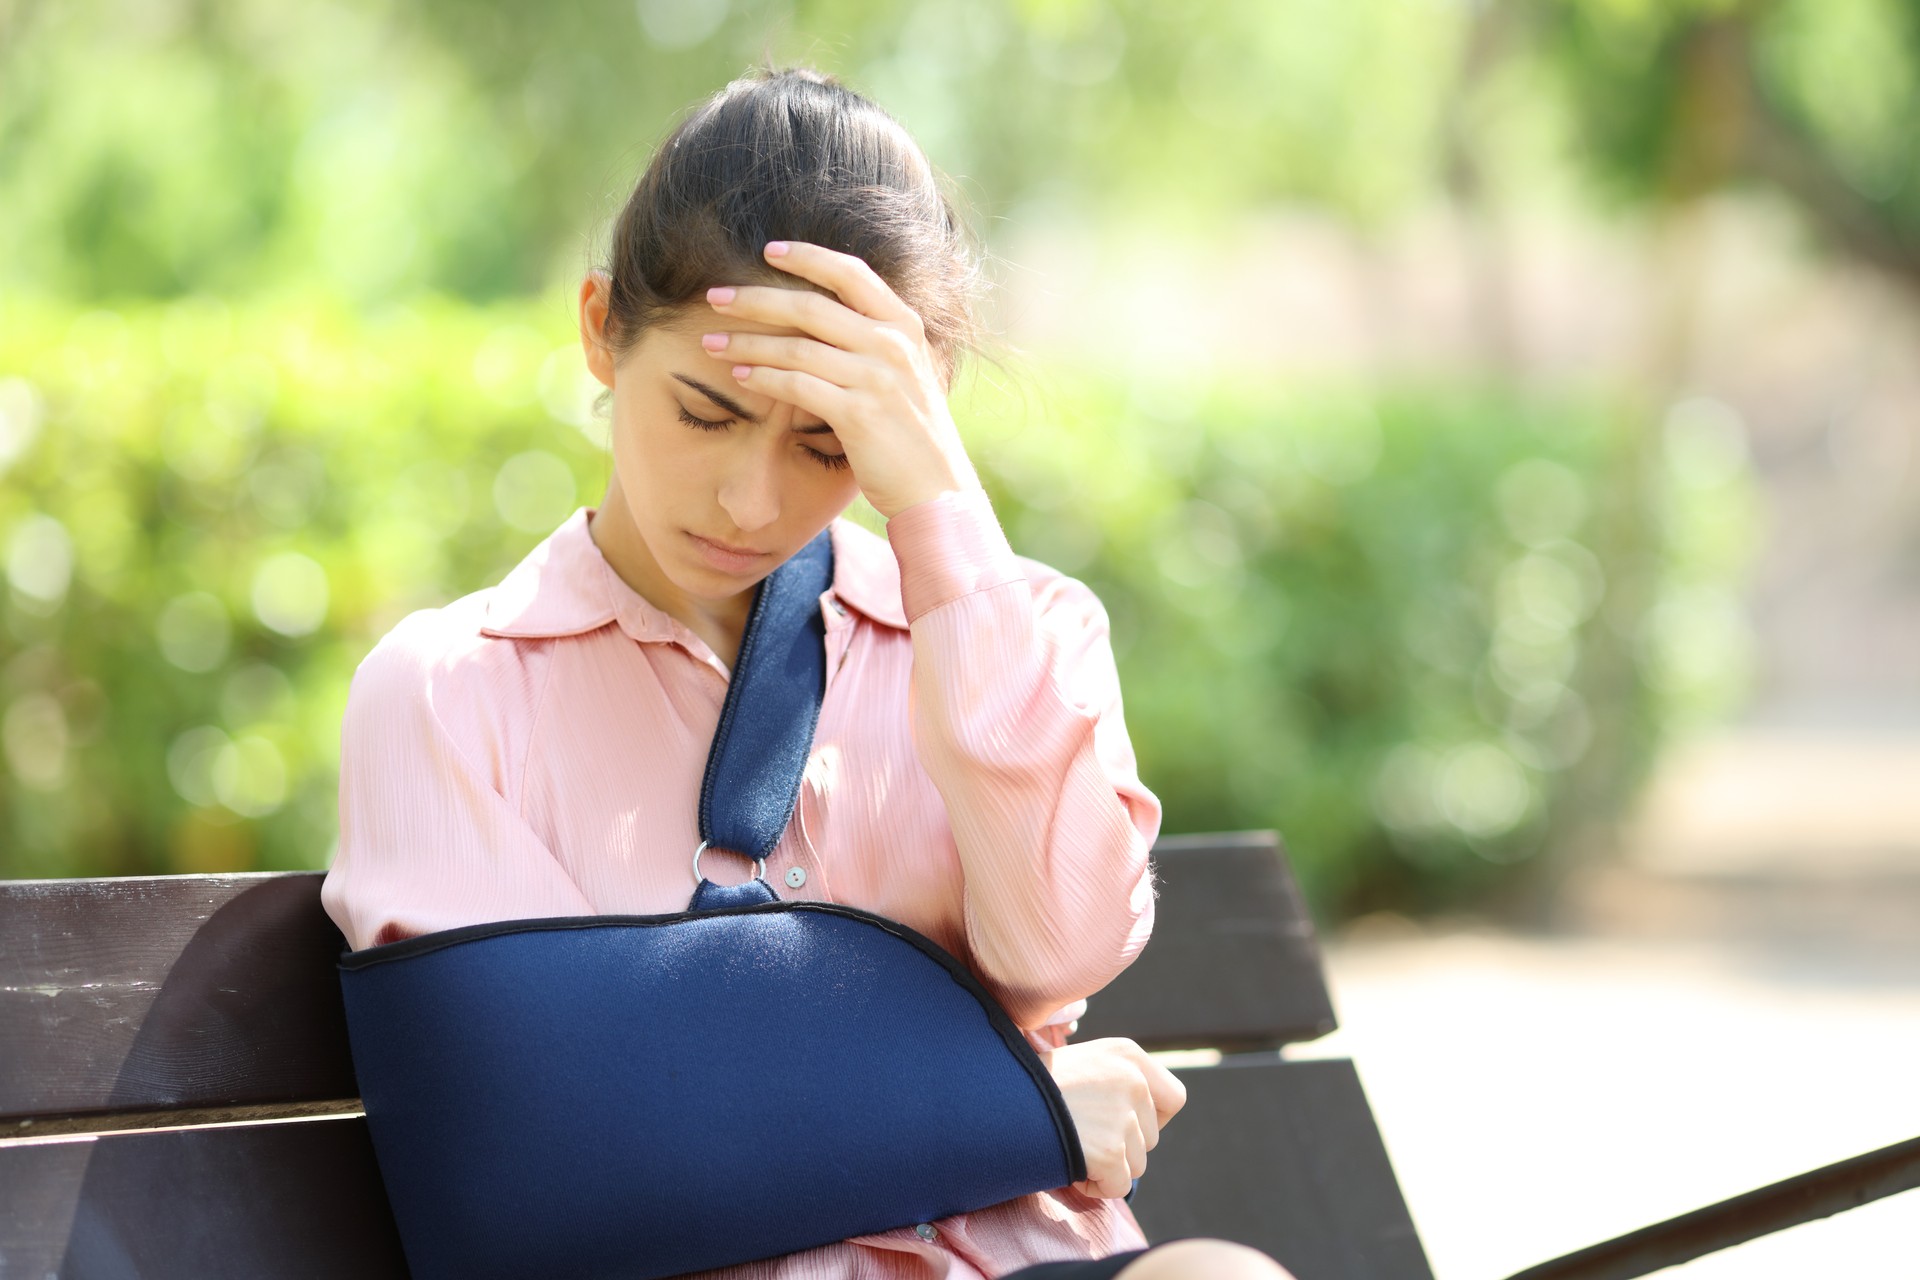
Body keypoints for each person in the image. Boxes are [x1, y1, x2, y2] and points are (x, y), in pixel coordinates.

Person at [320, 64, 1291, 1280]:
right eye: (706, 411)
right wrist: (1021, 1112)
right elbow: (539, 1164)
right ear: (597, 331)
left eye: (828, 442)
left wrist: (937, 508)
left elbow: (1058, 946)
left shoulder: (1018, 629)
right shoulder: (454, 692)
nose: (750, 499)